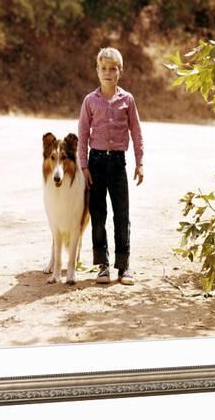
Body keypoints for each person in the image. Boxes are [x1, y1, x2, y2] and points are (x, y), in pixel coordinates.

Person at [78, 47, 144, 285]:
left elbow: (136, 131)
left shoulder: (127, 100)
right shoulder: (90, 101)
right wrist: (84, 166)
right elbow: (83, 134)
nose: (108, 72)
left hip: (117, 163)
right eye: (103, 68)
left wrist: (140, 162)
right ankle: (103, 266)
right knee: (98, 213)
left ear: (120, 72)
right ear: (97, 71)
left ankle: (124, 266)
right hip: (95, 163)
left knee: (121, 214)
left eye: (112, 69)